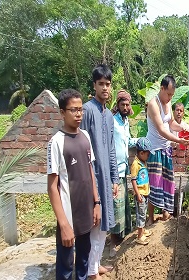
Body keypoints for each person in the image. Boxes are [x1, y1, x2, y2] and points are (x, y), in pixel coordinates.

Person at [47, 89, 101, 280]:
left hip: (87, 212)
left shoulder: (85, 136)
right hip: (69, 217)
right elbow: (52, 187)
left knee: (83, 262)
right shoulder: (56, 142)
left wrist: (97, 203)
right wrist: (63, 224)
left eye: (80, 109)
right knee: (65, 266)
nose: (78, 114)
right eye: (73, 110)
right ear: (62, 112)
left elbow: (91, 173)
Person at [80, 64, 119, 279]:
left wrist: (114, 178)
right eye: (101, 84)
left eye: (108, 84)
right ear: (94, 85)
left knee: (103, 223)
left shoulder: (109, 116)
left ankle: (95, 264)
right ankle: (90, 270)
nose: (105, 88)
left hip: (106, 178)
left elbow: (111, 149)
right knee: (94, 224)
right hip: (92, 177)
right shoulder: (87, 110)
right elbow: (82, 146)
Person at [146, 75, 189, 224]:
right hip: (155, 149)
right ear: (162, 88)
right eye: (168, 93)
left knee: (167, 182)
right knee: (155, 183)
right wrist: (177, 139)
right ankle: (151, 217)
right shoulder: (153, 104)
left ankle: (165, 214)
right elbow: (161, 129)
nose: (170, 97)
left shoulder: (168, 102)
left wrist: (182, 128)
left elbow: (171, 123)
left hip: (165, 149)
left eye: (172, 94)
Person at [110, 90, 137, 255]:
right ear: (118, 105)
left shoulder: (125, 122)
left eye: (127, 104)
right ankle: (113, 244)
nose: (125, 107)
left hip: (123, 169)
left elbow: (127, 141)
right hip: (115, 170)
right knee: (116, 207)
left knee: (123, 206)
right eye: (122, 104)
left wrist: (140, 141)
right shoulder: (112, 121)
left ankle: (120, 239)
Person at [130, 137, 153, 245]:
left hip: (145, 192)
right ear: (141, 153)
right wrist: (138, 194)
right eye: (147, 154)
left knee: (144, 212)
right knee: (141, 214)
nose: (148, 156)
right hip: (140, 194)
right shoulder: (135, 164)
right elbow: (133, 180)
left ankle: (142, 231)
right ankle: (140, 236)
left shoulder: (142, 162)